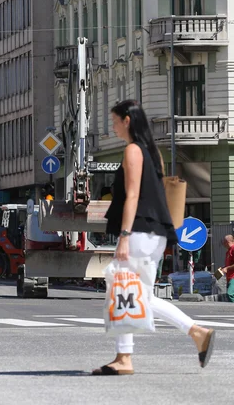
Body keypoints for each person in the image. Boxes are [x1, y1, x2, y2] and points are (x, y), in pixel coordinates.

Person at [94, 99, 215, 375]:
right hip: (154, 234)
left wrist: (123, 235)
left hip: (138, 232)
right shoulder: (152, 153)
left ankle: (124, 358)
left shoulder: (133, 151)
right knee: (139, 294)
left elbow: (134, 195)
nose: (112, 128)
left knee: (123, 290)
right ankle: (197, 332)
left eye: (114, 121)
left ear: (127, 120)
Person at [219, 235, 234, 302]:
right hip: (229, 277)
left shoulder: (233, 249)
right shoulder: (228, 251)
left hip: (233, 277)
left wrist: (227, 268)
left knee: (230, 294)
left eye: (224, 242)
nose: (223, 245)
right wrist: (223, 268)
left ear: (227, 242)